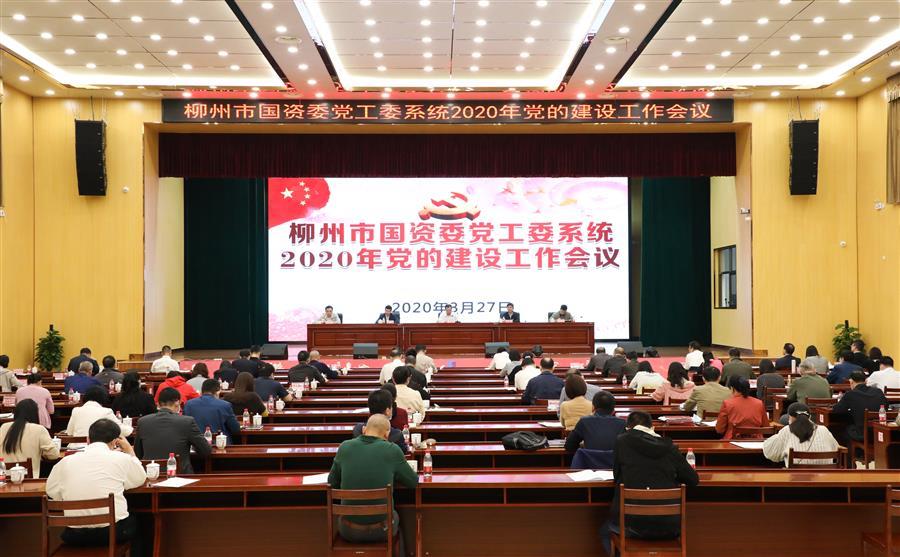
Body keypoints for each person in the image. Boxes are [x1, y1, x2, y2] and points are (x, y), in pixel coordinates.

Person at [601, 411, 699, 557]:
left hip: (631, 526)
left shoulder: (622, 441)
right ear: (652, 428)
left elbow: (617, 476)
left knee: (605, 531)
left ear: (628, 428)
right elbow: (693, 480)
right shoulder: (670, 447)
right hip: (668, 527)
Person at [46, 419, 145, 552]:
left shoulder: (65, 461)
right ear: (115, 442)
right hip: (110, 533)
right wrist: (130, 451)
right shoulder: (121, 458)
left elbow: (51, 491)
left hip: (75, 535)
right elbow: (140, 478)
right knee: (139, 521)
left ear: (88, 440)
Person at [328, 414, 418, 551]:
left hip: (349, 530)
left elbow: (332, 483)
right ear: (387, 434)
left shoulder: (344, 447)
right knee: (400, 520)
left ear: (364, 429)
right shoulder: (393, 450)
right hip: (382, 530)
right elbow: (413, 482)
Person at [135, 387, 210, 474]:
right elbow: (205, 450)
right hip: (180, 476)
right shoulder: (187, 421)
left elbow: (138, 453)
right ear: (177, 403)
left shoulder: (142, 422)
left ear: (158, 404)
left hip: (151, 474)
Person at [762, 403, 840, 467]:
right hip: (825, 477)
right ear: (809, 417)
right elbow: (835, 449)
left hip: (796, 478)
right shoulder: (823, 429)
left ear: (790, 418)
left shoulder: (787, 430)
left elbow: (771, 453)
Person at [0, 398, 59, 478]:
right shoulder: (39, 429)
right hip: (29, 479)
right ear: (35, 414)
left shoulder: (4, 427)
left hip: (4, 477)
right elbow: (54, 455)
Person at [832, 370, 888, 446]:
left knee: (842, 429)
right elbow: (886, 407)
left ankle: (850, 453)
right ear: (866, 381)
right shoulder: (878, 391)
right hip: (880, 432)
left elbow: (837, 410)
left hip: (862, 434)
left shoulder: (851, 394)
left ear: (851, 381)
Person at [184, 379, 241, 444]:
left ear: (202, 391)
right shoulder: (225, 405)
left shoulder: (189, 404)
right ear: (218, 392)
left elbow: (185, 427)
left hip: (195, 445)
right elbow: (235, 429)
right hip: (220, 444)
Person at [65, 386, 133, 438]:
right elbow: (123, 431)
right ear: (103, 398)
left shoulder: (76, 410)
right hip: (97, 449)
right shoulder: (106, 412)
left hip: (75, 449)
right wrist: (131, 427)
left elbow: (69, 432)